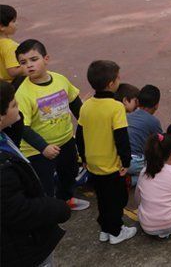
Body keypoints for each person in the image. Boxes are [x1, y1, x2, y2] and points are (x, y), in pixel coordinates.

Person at [1, 80, 71, 267]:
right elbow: (16, 210)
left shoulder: (4, 135)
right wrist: (56, 208)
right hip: (23, 249)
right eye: (14, 105)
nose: (19, 109)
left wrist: (15, 121)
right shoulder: (3, 169)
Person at [14, 40, 89, 210]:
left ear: (46, 58)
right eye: (23, 62)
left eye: (34, 59)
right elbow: (22, 127)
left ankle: (65, 200)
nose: (29, 65)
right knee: (44, 183)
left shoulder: (60, 79)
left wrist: (87, 124)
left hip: (66, 139)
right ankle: (49, 212)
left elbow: (75, 104)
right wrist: (43, 147)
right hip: (38, 150)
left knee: (69, 173)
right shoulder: (23, 93)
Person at [75, 60, 139, 244]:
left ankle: (105, 228)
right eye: (118, 77)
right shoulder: (116, 107)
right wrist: (126, 162)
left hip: (93, 164)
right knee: (117, 200)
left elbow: (79, 134)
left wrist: (84, 158)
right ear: (111, 83)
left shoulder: (86, 105)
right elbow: (121, 138)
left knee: (102, 198)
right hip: (111, 165)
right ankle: (116, 231)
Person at [126, 84, 162, 185]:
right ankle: (131, 181)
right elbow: (161, 143)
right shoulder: (153, 121)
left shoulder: (128, 116)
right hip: (135, 162)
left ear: (138, 102)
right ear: (156, 105)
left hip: (119, 159)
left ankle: (128, 177)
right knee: (160, 170)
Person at [0, 5, 24, 86]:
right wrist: (27, 65)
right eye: (13, 21)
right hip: (11, 86)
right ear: (2, 26)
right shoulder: (10, 46)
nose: (16, 24)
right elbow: (12, 72)